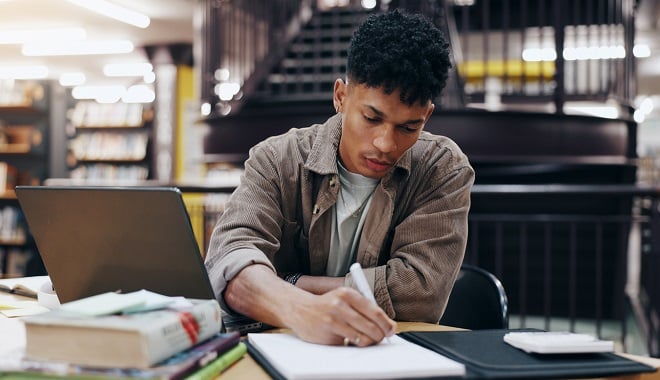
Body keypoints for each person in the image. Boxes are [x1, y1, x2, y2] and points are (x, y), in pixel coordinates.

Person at [204, 9, 474, 347]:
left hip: (392, 358)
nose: (386, 145)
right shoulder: (276, 159)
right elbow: (230, 265)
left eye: (409, 127)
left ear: (427, 116)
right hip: (282, 352)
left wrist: (287, 283)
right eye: (372, 118)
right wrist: (303, 310)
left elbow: (421, 295)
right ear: (341, 96)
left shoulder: (443, 168)